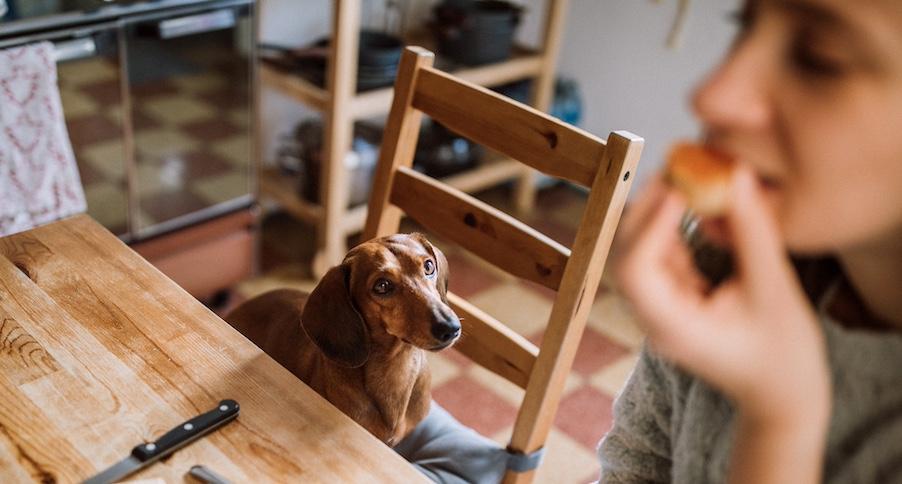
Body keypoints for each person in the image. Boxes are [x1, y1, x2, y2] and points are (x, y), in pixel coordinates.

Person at [601, 0, 902, 482]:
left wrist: (779, 419)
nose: (710, 96)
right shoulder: (720, 264)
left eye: (819, 56)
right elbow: (637, 460)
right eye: (744, 24)